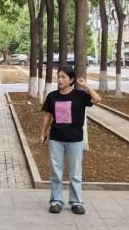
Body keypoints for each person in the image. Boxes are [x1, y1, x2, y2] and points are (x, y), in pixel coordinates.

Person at [40, 66, 101, 215]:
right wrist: (42, 133)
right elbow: (47, 116)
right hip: (56, 138)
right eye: (58, 76)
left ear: (71, 80)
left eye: (63, 77)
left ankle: (76, 202)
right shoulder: (52, 96)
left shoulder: (80, 95)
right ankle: (56, 201)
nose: (60, 80)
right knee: (56, 172)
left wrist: (86, 86)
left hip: (75, 139)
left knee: (75, 173)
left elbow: (97, 99)